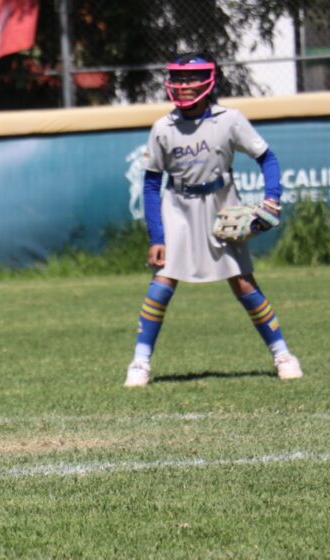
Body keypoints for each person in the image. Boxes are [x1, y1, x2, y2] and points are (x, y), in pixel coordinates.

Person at [124, 53, 302, 387]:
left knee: (243, 282)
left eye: (191, 78)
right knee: (162, 283)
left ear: (208, 81)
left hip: (222, 205)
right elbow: (151, 184)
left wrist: (272, 198)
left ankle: (282, 354)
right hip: (177, 206)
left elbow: (267, 157)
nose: (184, 86)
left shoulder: (229, 120)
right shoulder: (163, 127)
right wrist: (157, 237)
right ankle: (140, 362)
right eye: (178, 79)